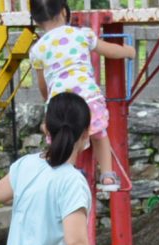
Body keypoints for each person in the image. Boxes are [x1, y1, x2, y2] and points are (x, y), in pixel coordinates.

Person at [29, 0, 134, 194]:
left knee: (62, 134)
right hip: (88, 98)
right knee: (99, 134)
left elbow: (43, 84)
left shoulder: (37, 50)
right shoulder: (81, 34)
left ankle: (68, 172)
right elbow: (110, 51)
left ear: (36, 20)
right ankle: (108, 176)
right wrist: (128, 51)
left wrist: (48, 101)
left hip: (60, 104)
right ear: (63, 12)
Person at [0, 91, 96, 245]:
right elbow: (75, 242)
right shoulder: (72, 181)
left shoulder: (26, 164)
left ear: (46, 129)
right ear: (86, 133)